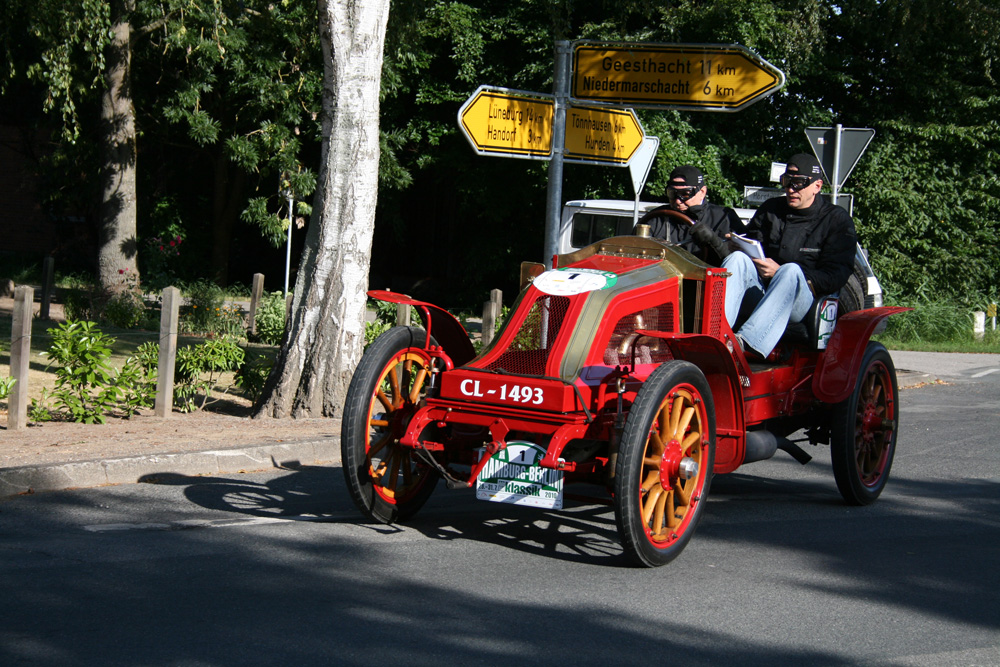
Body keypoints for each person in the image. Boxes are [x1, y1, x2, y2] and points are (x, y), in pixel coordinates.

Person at [721, 153, 857, 359]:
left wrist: (779, 272)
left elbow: (837, 275)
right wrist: (737, 246)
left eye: (799, 183)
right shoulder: (771, 209)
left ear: (817, 186)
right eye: (787, 182)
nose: (791, 189)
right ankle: (716, 335)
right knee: (737, 260)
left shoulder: (836, 220)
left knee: (790, 270)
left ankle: (744, 344)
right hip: (764, 291)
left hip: (805, 302)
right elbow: (752, 242)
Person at [636, 165, 743, 265]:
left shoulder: (724, 217)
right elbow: (633, 252)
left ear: (702, 192)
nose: (678, 201)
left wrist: (714, 241)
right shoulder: (656, 218)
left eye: (685, 194)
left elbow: (740, 262)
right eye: (673, 194)